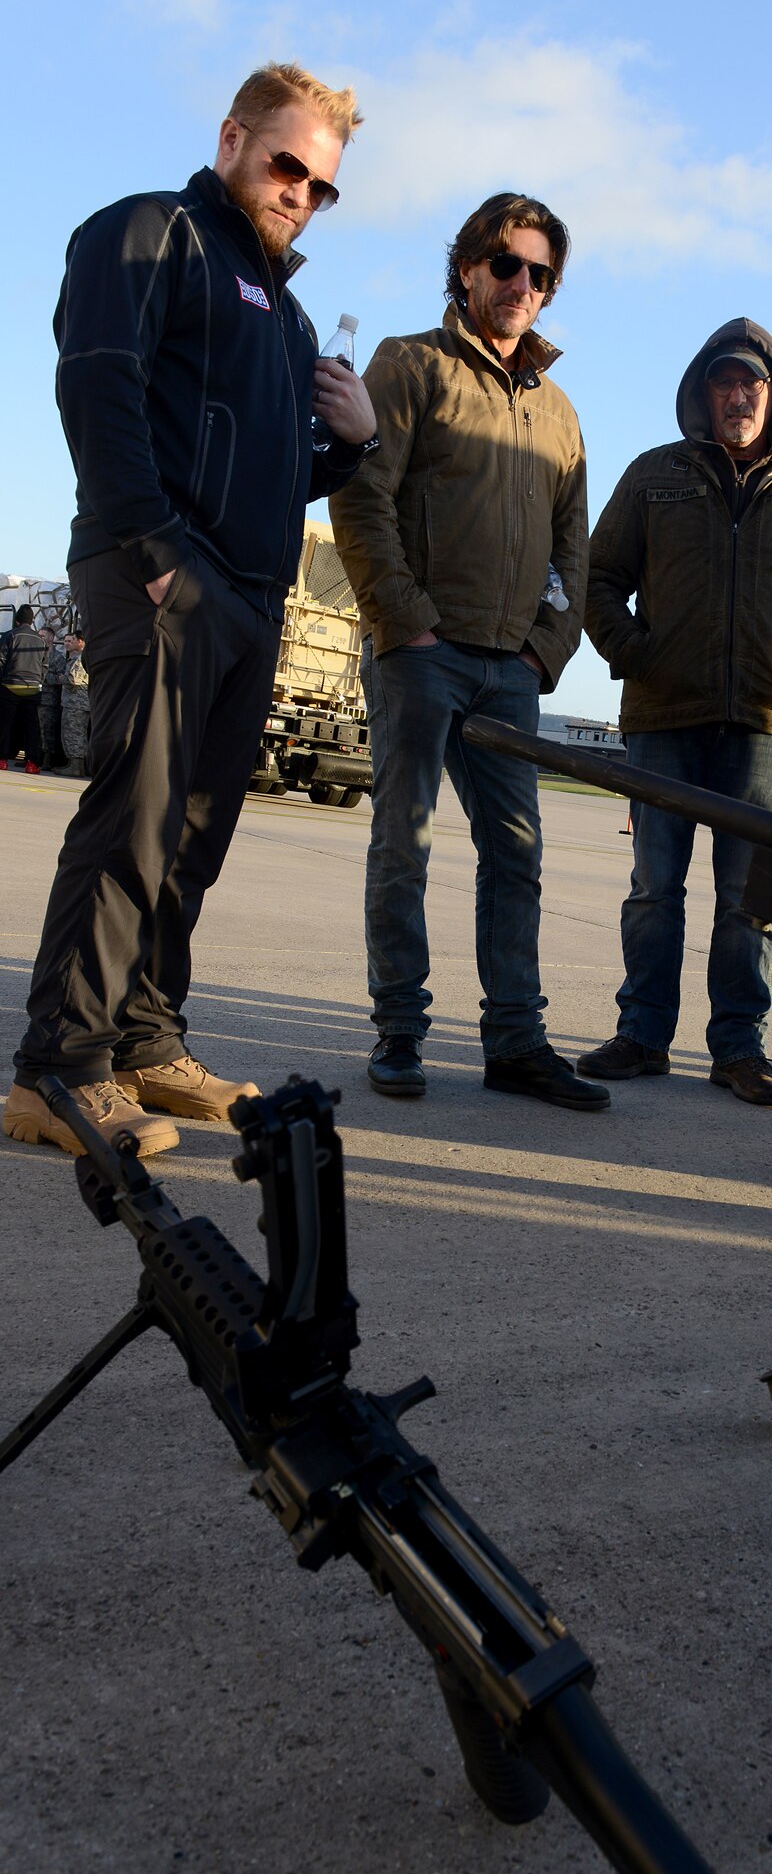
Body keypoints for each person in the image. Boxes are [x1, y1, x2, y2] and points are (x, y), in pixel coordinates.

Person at [3, 62, 376, 1159]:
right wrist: (157, 550)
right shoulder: (147, 232)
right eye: (286, 164)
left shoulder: (290, 316)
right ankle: (59, 1068)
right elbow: (97, 382)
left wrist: (351, 447)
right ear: (233, 140)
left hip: (249, 596)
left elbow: (278, 473)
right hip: (160, 571)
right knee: (134, 817)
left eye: (322, 183)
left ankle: (143, 1041)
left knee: (196, 834)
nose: (300, 190)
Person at [329, 192, 603, 1112]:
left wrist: (543, 652)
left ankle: (516, 1041)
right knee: (403, 844)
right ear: (467, 268)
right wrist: (404, 621)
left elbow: (575, 550)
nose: (521, 284)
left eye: (539, 273)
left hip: (509, 672)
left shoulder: (560, 411)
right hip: (422, 655)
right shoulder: (408, 365)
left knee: (516, 855)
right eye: (505, 264)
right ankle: (400, 1030)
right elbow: (360, 496)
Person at [578, 321, 772, 1106]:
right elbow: (596, 578)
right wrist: (637, 655)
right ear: (701, 395)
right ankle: (641, 1035)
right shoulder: (652, 476)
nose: (737, 396)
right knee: (652, 888)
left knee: (748, 899)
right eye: (722, 383)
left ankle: (741, 1049)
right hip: (662, 718)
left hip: (763, 731)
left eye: (752, 384)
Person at [0, 605, 47, 771]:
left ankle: (2, 759)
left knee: (5, 724)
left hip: (10, 686)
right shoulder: (41, 640)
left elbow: (1, 661)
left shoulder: (10, 635)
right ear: (32, 620)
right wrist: (38, 681)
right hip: (33, 688)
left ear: (17, 620)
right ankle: (32, 763)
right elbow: (45, 665)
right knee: (32, 728)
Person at [59, 633, 91, 778]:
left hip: (76, 703)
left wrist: (61, 678)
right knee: (73, 734)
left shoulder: (79, 658)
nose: (67, 644)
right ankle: (74, 764)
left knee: (74, 734)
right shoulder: (78, 658)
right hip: (75, 702)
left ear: (81, 642)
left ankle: (76, 766)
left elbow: (74, 679)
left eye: (71, 641)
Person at [39, 631, 67, 770]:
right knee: (35, 729)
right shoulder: (37, 654)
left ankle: (47, 759)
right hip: (36, 697)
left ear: (51, 638)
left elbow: (60, 679)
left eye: (43, 636)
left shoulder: (57, 658)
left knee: (47, 730)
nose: (40, 638)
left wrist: (43, 676)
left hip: (49, 700)